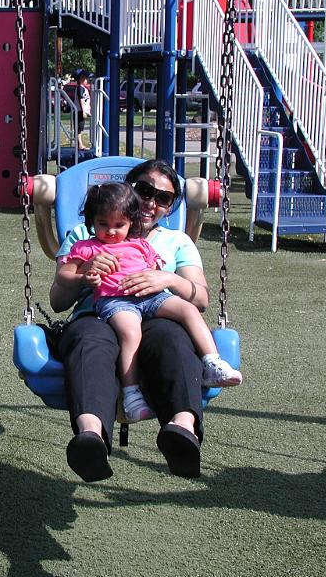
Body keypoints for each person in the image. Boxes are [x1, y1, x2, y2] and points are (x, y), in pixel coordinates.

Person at [51, 159, 214, 482]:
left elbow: (202, 298)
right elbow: (58, 301)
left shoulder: (177, 241)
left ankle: (182, 430)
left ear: (170, 207)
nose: (151, 202)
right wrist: (86, 273)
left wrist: (168, 280)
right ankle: (90, 438)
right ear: (128, 190)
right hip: (97, 311)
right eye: (144, 190)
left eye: (163, 198)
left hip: (155, 311)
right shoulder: (87, 233)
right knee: (89, 341)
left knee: (172, 338)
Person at [56, 181, 242, 424]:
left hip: (153, 298)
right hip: (116, 300)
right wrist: (84, 276)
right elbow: (63, 278)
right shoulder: (86, 245)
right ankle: (131, 395)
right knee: (130, 334)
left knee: (187, 310)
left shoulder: (142, 243)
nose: (111, 231)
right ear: (92, 221)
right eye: (103, 225)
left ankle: (212, 363)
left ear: (130, 222)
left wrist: (167, 278)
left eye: (119, 225)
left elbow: (160, 269)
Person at [74, 70, 92, 150]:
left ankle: (80, 144)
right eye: (85, 79)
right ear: (81, 79)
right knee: (78, 130)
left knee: (80, 129)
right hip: (79, 112)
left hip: (82, 111)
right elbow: (81, 99)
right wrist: (84, 111)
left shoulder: (83, 88)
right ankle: (80, 145)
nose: (87, 81)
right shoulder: (80, 88)